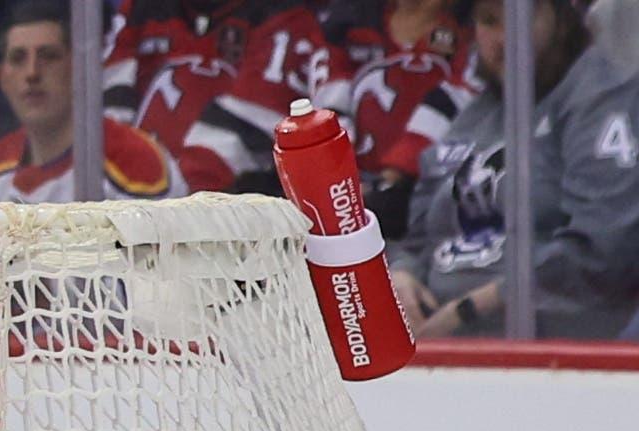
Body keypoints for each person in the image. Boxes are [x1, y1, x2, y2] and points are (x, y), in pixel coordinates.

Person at [390, 0, 639, 338]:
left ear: (562, 18)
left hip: (556, 349)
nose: (505, 38)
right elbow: (418, 237)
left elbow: (605, 252)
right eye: (490, 21)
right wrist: (403, 274)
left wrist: (475, 307)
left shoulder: (601, 95)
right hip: (439, 344)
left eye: (521, 18)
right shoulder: (474, 115)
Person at [103, 0, 350, 194]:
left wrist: (161, 205)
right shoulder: (141, 9)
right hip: (129, 201)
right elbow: (104, 110)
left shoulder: (286, 21)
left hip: (206, 224)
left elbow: (230, 144)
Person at [0, 0, 187, 204]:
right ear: (2, 77)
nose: (31, 73)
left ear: (80, 67)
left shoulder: (138, 166)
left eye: (49, 56)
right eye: (18, 58)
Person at [324, 0, 477, 232]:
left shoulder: (472, 30)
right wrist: (340, 178)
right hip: (351, 191)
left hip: (436, 192)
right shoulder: (352, 25)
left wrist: (394, 177)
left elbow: (460, 95)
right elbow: (331, 97)